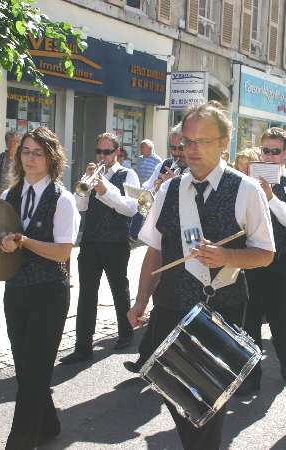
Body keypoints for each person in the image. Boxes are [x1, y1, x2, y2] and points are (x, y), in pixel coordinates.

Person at [127, 102, 275, 450]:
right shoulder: (169, 189)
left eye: (200, 141)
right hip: (171, 306)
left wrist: (226, 256)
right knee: (175, 393)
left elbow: (266, 254)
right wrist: (140, 300)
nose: (190, 150)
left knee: (209, 402)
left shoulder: (247, 190)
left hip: (221, 308)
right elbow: (155, 250)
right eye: (185, 142)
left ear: (225, 143)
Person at [0, 127, 80, 449]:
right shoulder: (8, 196)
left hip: (50, 293)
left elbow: (63, 251)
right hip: (16, 291)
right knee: (26, 370)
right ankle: (49, 424)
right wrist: (2, 243)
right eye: (25, 151)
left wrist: (24, 242)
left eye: (37, 153)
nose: (30, 158)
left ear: (50, 158)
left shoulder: (63, 199)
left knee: (33, 374)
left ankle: (20, 442)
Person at [61, 132, 140, 365]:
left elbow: (131, 208)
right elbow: (79, 206)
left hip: (116, 242)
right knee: (86, 295)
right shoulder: (92, 175)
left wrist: (107, 191)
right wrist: (86, 183)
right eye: (99, 152)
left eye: (107, 152)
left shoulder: (129, 174)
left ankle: (126, 333)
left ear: (117, 152)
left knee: (119, 290)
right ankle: (82, 347)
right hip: (91, 242)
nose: (102, 156)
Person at [238, 127, 286, 396]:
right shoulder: (247, 181)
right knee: (250, 319)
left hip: (280, 258)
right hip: (251, 255)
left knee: (279, 318)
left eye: (275, 152)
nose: (269, 156)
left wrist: (270, 196)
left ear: (285, 154)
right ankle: (252, 376)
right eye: (265, 150)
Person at [124, 125, 189, 373]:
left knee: (168, 311)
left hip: (188, 252)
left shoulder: (196, 170)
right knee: (161, 304)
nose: (176, 153)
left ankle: (154, 363)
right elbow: (147, 194)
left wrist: (175, 187)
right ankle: (147, 360)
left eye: (180, 147)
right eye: (172, 147)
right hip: (164, 240)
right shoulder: (166, 167)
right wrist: (158, 188)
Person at [0, 131, 20, 199]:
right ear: (7, 143)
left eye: (15, 141)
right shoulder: (2, 156)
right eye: (9, 141)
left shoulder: (20, 159)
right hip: (0, 193)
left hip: (14, 195)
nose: (12, 144)